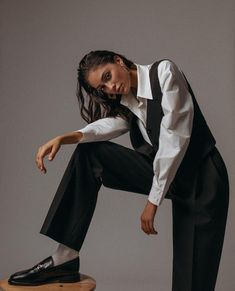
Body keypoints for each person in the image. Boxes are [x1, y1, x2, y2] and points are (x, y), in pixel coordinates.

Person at [8, 50, 229, 291]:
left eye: (107, 76)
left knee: (192, 281)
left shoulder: (164, 73)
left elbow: (174, 140)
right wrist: (67, 137)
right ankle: (64, 258)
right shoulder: (127, 100)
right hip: (168, 174)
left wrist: (152, 202)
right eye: (102, 87)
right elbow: (109, 126)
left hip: (203, 177)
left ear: (118, 60)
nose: (110, 87)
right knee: (90, 154)